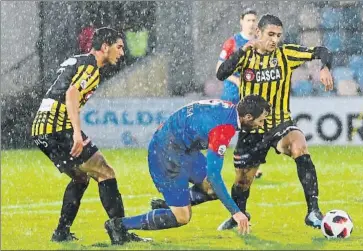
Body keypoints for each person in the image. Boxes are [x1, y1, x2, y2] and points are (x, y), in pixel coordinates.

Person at [215, 14, 334, 231]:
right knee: (242, 180)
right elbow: (221, 74)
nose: (274, 40)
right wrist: (241, 51)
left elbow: (321, 51)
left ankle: (313, 210)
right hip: (251, 127)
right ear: (258, 33)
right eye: (270, 34)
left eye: (278, 35)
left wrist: (324, 67)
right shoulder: (245, 56)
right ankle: (238, 215)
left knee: (299, 146)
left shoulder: (285, 53)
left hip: (280, 122)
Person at [31, 27, 148, 243]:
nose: (122, 53)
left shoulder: (78, 60)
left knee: (81, 177)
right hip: (58, 127)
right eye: (119, 47)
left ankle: (61, 232)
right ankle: (120, 232)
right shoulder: (92, 66)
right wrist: (76, 132)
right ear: (105, 47)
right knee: (105, 172)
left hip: (42, 129)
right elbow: (72, 94)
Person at [104, 95, 271, 245]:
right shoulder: (224, 129)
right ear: (248, 117)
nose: (261, 125)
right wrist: (237, 212)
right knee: (182, 217)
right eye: (261, 121)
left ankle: (166, 205)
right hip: (166, 153)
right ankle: (119, 225)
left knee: (211, 190)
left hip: (182, 148)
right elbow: (214, 176)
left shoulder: (229, 108)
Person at [216, 8, 264, 179]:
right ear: (241, 21)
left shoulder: (260, 42)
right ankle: (213, 166)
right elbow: (219, 69)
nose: (252, 24)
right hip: (232, 95)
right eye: (249, 20)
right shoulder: (232, 42)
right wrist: (237, 81)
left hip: (250, 97)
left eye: (254, 20)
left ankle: (251, 166)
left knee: (252, 132)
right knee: (224, 132)